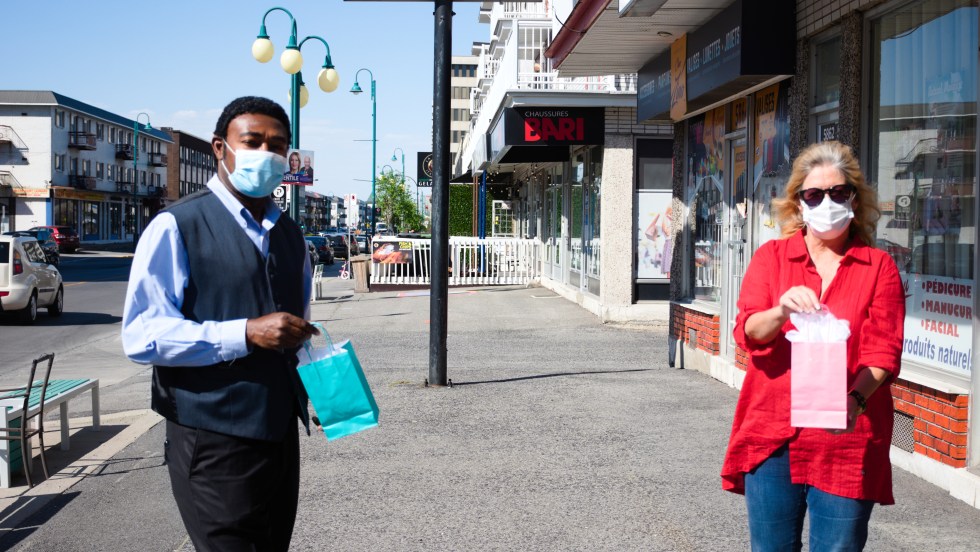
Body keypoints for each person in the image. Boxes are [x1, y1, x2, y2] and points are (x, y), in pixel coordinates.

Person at [122, 96, 318, 551]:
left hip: (278, 434)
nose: (266, 155)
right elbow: (142, 335)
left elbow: (299, 327)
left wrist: (323, 387)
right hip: (212, 439)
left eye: (278, 146)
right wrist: (244, 332)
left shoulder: (290, 234)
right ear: (219, 147)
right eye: (252, 142)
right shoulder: (177, 226)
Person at [721, 141, 905, 551]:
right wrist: (781, 310)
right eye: (814, 194)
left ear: (854, 200)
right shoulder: (772, 258)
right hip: (772, 434)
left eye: (839, 193)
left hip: (845, 435)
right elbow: (748, 330)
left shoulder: (879, 268)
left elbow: (883, 352)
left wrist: (856, 400)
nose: (827, 202)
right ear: (799, 204)